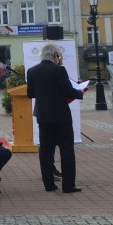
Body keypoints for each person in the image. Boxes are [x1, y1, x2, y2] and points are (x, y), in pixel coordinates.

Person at [26, 42, 84, 193]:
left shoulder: (32, 71)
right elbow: (69, 92)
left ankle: (49, 185)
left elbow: (30, 94)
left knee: (45, 151)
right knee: (66, 150)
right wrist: (80, 92)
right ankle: (68, 185)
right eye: (60, 57)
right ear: (56, 56)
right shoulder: (59, 70)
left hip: (43, 117)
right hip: (61, 117)